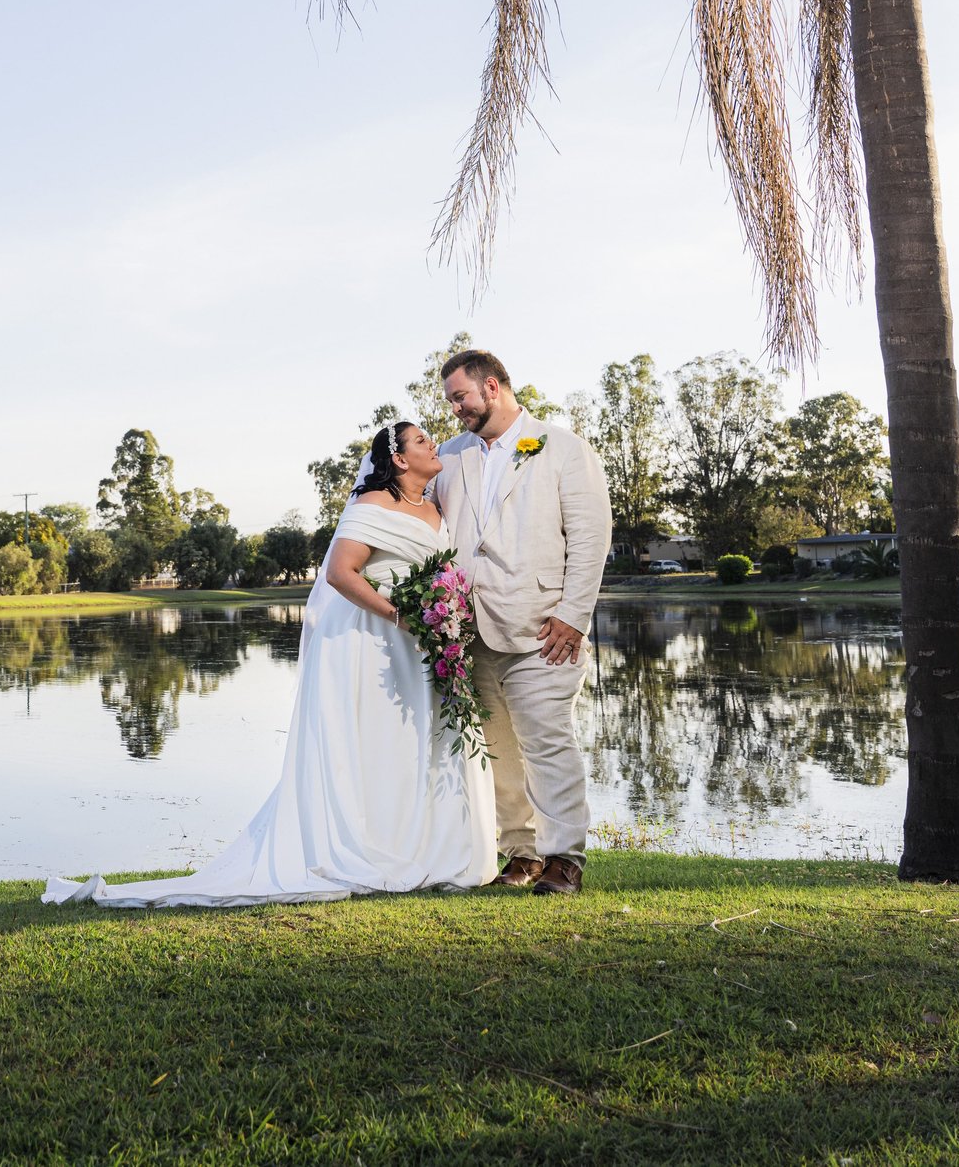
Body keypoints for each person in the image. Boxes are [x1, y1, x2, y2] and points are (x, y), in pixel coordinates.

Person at [44, 420, 497, 906]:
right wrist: (399, 614)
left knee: (419, 739)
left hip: (423, 644)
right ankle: (371, 847)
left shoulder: (435, 506)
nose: (434, 445)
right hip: (374, 640)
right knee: (379, 739)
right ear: (401, 460)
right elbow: (340, 573)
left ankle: (426, 845)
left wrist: (441, 614)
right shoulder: (371, 506)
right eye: (422, 441)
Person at [434, 349, 611, 896]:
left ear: (492, 386)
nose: (456, 409)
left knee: (548, 743)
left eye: (460, 397)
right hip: (468, 630)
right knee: (497, 749)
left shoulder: (562, 448)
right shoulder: (448, 456)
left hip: (543, 629)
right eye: (451, 401)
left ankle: (565, 858)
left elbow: (589, 536)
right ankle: (522, 853)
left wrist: (573, 615)